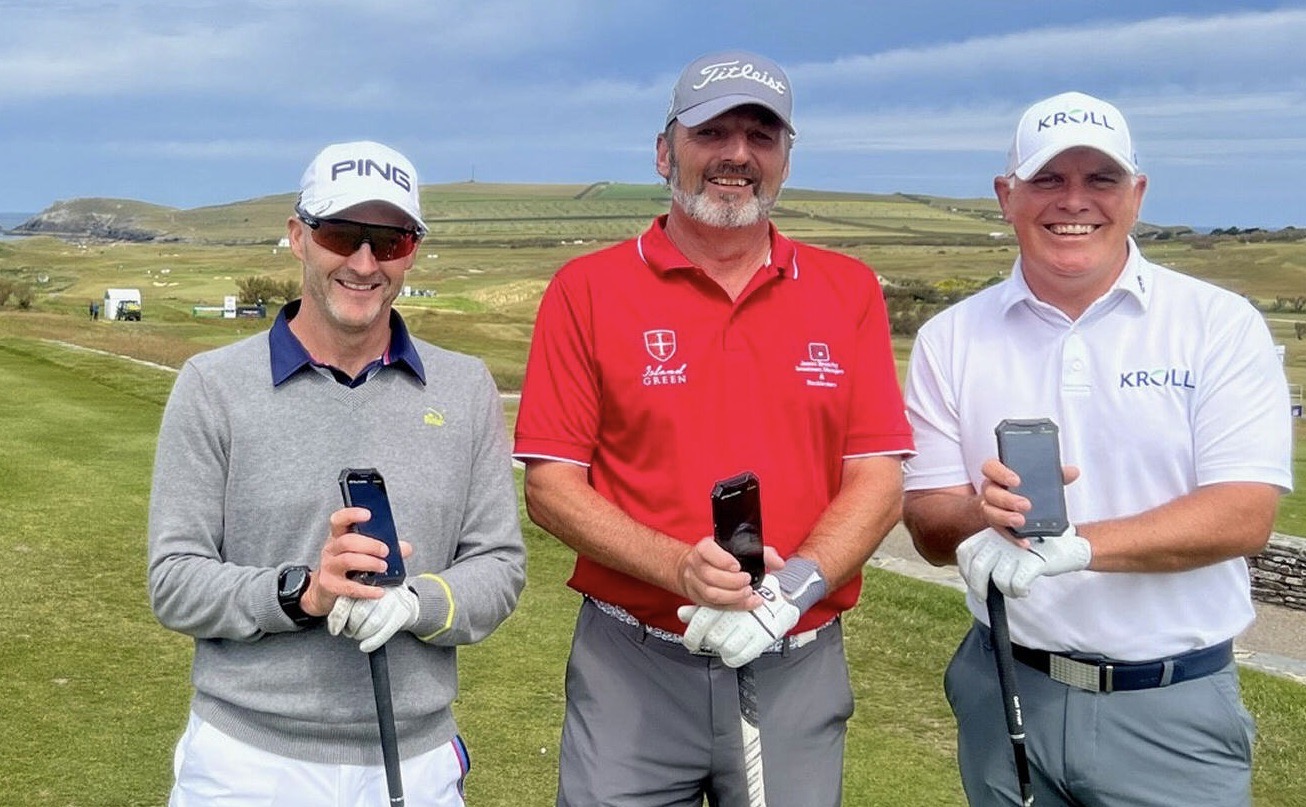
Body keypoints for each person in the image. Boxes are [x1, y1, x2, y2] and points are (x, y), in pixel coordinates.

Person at [513, 50, 914, 806]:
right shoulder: (587, 289)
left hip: (795, 659)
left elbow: (879, 478)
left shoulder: (847, 289)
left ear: (786, 160)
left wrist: (786, 595)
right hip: (634, 659)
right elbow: (552, 487)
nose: (736, 155)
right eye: (711, 132)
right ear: (666, 150)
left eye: (761, 137)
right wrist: (680, 570)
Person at [902, 91, 1293, 806]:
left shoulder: (1219, 325)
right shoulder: (950, 337)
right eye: (1048, 179)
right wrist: (979, 510)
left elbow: (1244, 514)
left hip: (1170, 705)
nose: (1073, 201)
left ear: (1137, 194)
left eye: (1101, 179)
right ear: (1006, 195)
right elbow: (928, 524)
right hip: (1007, 688)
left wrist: (1078, 544)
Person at [148, 140, 526, 806]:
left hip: (415, 759)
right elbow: (175, 580)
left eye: (390, 241)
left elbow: (498, 566)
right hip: (248, 760)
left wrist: (416, 602)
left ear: (411, 249)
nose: (363, 262)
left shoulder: (465, 388)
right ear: (298, 236)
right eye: (341, 233)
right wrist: (303, 594)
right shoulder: (212, 385)